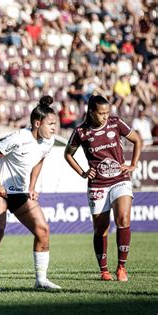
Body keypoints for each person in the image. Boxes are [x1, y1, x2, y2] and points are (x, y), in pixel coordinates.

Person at [0, 95, 61, 292]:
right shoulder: (18, 138)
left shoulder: (47, 142)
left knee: (43, 230)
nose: (54, 128)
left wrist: (32, 187)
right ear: (37, 122)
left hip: (20, 192)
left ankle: (41, 280)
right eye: (50, 124)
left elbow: (39, 160)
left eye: (55, 124)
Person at [64, 95, 141, 282]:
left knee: (123, 218)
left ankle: (121, 267)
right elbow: (68, 154)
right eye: (101, 113)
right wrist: (83, 172)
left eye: (107, 112)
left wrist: (132, 165)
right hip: (98, 184)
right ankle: (104, 270)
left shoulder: (116, 123)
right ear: (91, 112)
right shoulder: (81, 132)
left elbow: (137, 140)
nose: (106, 116)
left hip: (120, 179)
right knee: (101, 229)